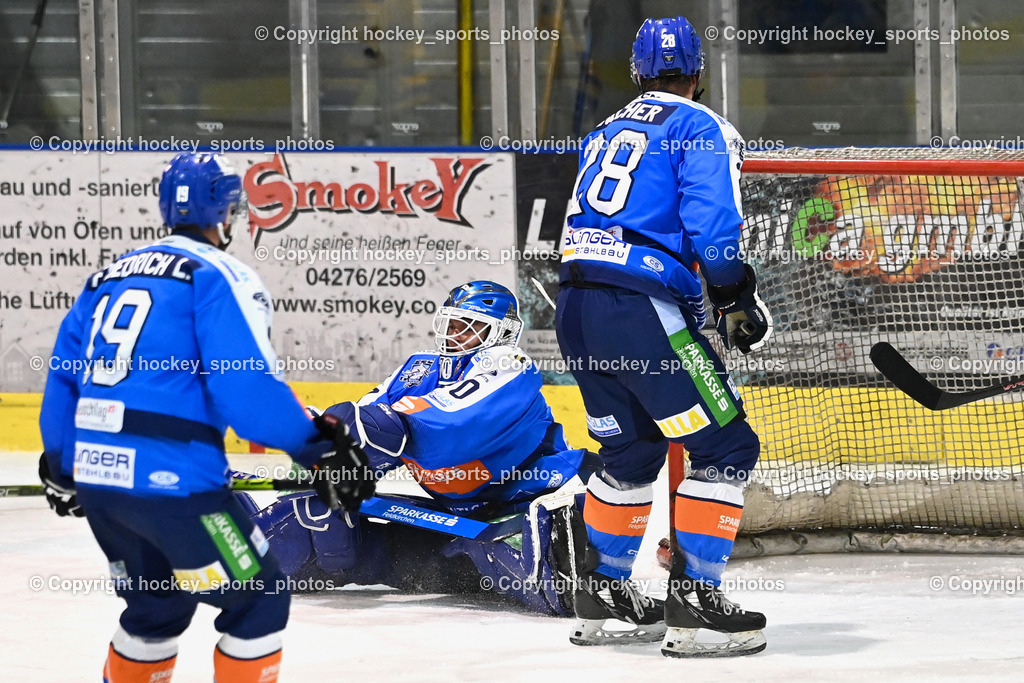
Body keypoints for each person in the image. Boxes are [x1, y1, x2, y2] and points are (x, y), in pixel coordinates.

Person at [37, 152, 374, 683]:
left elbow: (62, 380)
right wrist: (315, 447)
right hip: (176, 485)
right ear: (225, 211)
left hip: (102, 485)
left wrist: (61, 466)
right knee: (258, 600)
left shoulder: (104, 278)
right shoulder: (219, 275)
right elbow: (244, 389)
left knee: (157, 608)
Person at [555, 16, 773, 656]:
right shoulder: (701, 126)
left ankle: (602, 593)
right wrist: (732, 294)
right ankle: (695, 603)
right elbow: (715, 226)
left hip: (576, 307)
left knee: (629, 453)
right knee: (726, 444)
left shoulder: (603, 130)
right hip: (641, 309)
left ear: (636, 72)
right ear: (699, 72)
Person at [248, 281, 593, 615]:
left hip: (533, 505)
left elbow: (451, 426)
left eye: (469, 327)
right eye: (452, 324)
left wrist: (372, 430)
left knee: (555, 589)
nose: (455, 334)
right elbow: (366, 419)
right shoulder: (419, 369)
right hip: (460, 520)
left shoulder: (509, 365)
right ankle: (239, 542)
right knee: (313, 535)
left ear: (501, 333)